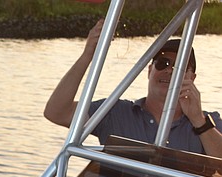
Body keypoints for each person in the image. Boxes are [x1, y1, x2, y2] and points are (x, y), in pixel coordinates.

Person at [44, 19, 222, 158]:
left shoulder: (209, 123)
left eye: (180, 67)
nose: (169, 71)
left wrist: (199, 121)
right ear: (150, 71)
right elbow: (56, 112)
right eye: (163, 63)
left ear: (192, 78)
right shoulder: (114, 113)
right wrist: (87, 56)